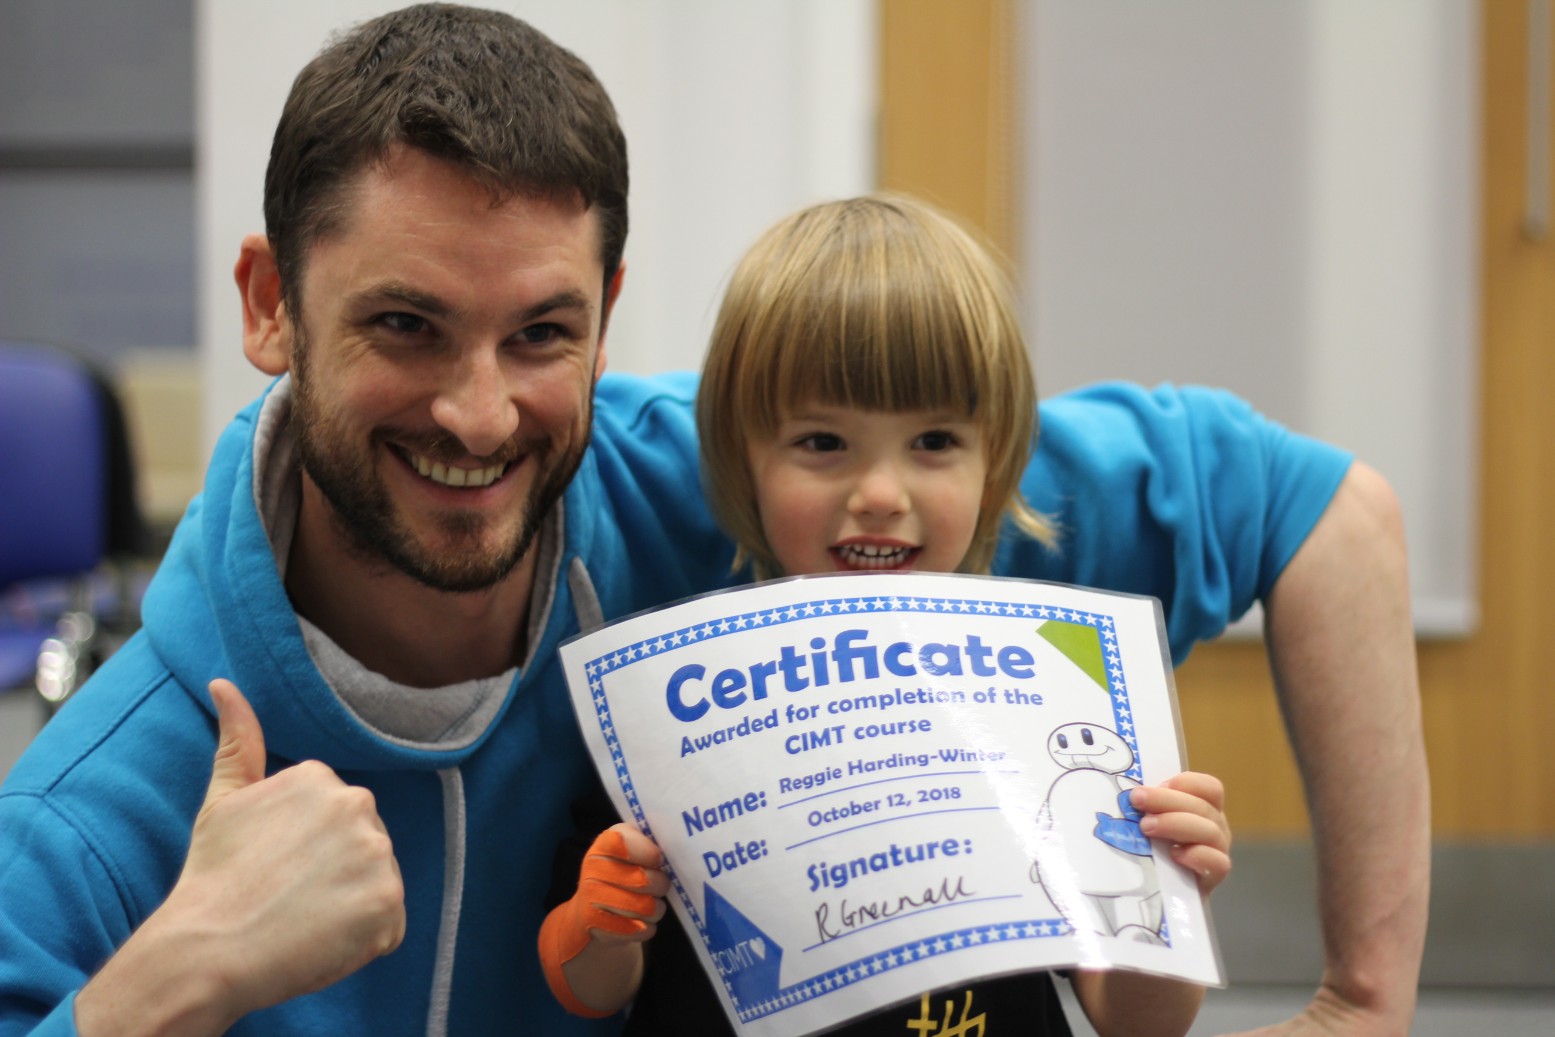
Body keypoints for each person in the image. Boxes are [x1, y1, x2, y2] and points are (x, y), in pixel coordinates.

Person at [0, 5, 1425, 1037]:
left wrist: (1358, 1001)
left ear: (607, 316)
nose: (482, 414)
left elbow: (1322, 512)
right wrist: (171, 979)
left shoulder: (764, 483)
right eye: (406, 325)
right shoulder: (110, 802)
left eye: (540, 331)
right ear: (268, 306)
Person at [538, 194, 1235, 1036]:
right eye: (822, 443)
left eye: (934, 441)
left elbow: (1136, 1022)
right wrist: (598, 915)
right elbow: (589, 988)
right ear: (742, 457)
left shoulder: (1048, 700)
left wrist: (1167, 888)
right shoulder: (677, 694)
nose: (878, 493)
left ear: (996, 458)